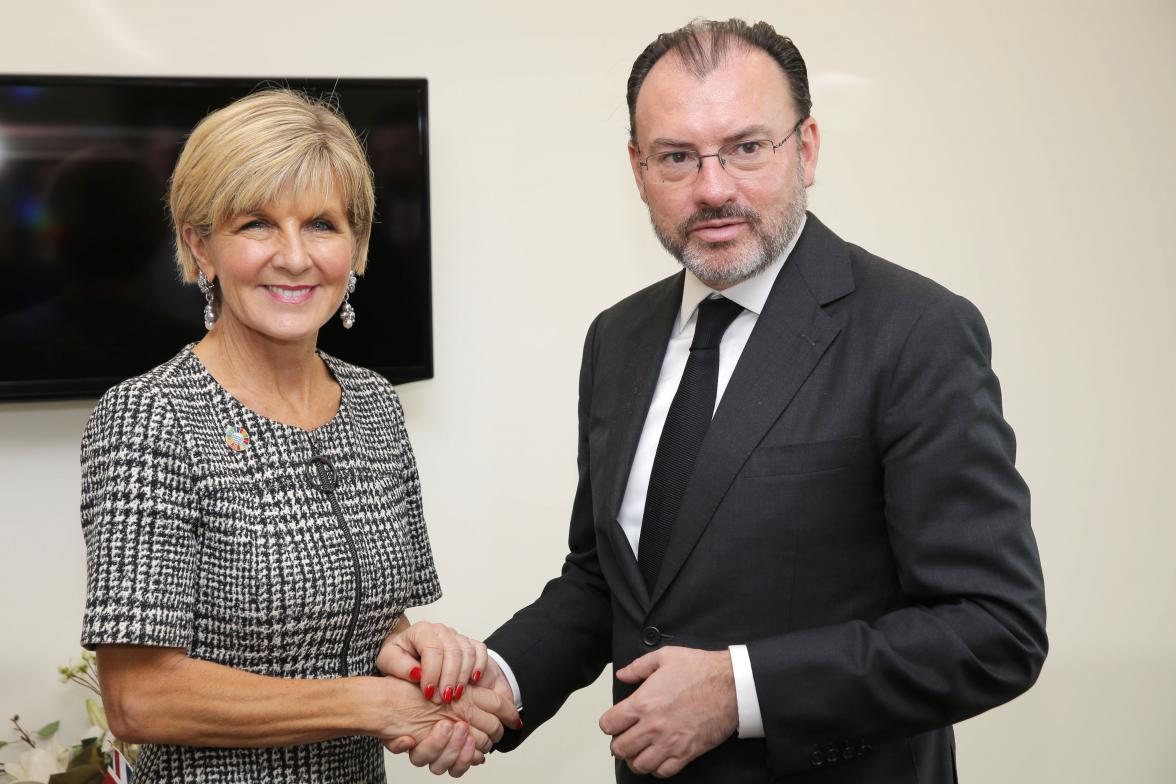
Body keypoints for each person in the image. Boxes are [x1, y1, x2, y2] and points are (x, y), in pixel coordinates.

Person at [468, 18, 1048, 782]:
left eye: (747, 147)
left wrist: (740, 691)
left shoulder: (916, 332)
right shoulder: (617, 338)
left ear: (805, 149)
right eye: (677, 157)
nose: (713, 189)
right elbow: (609, 578)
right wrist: (497, 683)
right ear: (638, 170)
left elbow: (994, 629)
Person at [79, 88, 517, 783]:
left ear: (358, 246)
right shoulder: (149, 415)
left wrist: (411, 653)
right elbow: (138, 698)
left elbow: (360, 625)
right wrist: (371, 705)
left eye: (321, 223)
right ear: (201, 245)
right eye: (256, 223)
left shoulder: (374, 404)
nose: (293, 256)